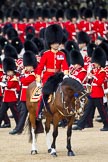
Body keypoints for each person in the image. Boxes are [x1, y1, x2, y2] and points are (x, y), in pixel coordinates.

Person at [35, 24, 69, 119]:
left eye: (58, 42)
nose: (57, 44)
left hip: (58, 76)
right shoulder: (46, 54)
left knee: (66, 92)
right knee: (45, 94)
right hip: (48, 77)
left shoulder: (62, 54)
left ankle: (65, 113)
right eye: (54, 43)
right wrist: (38, 80)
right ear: (50, 43)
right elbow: (40, 67)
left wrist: (66, 75)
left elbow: (65, 66)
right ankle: (39, 112)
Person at [72, 47, 108, 131]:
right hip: (92, 93)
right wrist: (89, 77)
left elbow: (99, 82)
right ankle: (81, 124)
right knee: (87, 110)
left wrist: (93, 76)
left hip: (98, 94)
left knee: (102, 111)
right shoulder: (95, 71)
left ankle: (106, 124)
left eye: (95, 63)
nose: (93, 64)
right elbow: (90, 82)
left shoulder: (102, 71)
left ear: (99, 63)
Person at [9, 51, 37, 135]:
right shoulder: (26, 73)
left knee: (30, 113)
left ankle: (21, 128)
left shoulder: (33, 74)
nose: (27, 67)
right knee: (22, 112)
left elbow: (25, 81)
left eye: (28, 66)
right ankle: (18, 128)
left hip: (30, 96)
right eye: (26, 66)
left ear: (32, 66)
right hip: (24, 96)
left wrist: (20, 77)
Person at [0, 57, 20, 129]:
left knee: (15, 113)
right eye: (7, 72)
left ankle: (19, 125)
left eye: (9, 72)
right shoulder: (8, 77)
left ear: (13, 71)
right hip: (6, 98)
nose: (8, 73)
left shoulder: (14, 78)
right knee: (1, 112)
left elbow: (9, 86)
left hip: (12, 98)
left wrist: (4, 83)